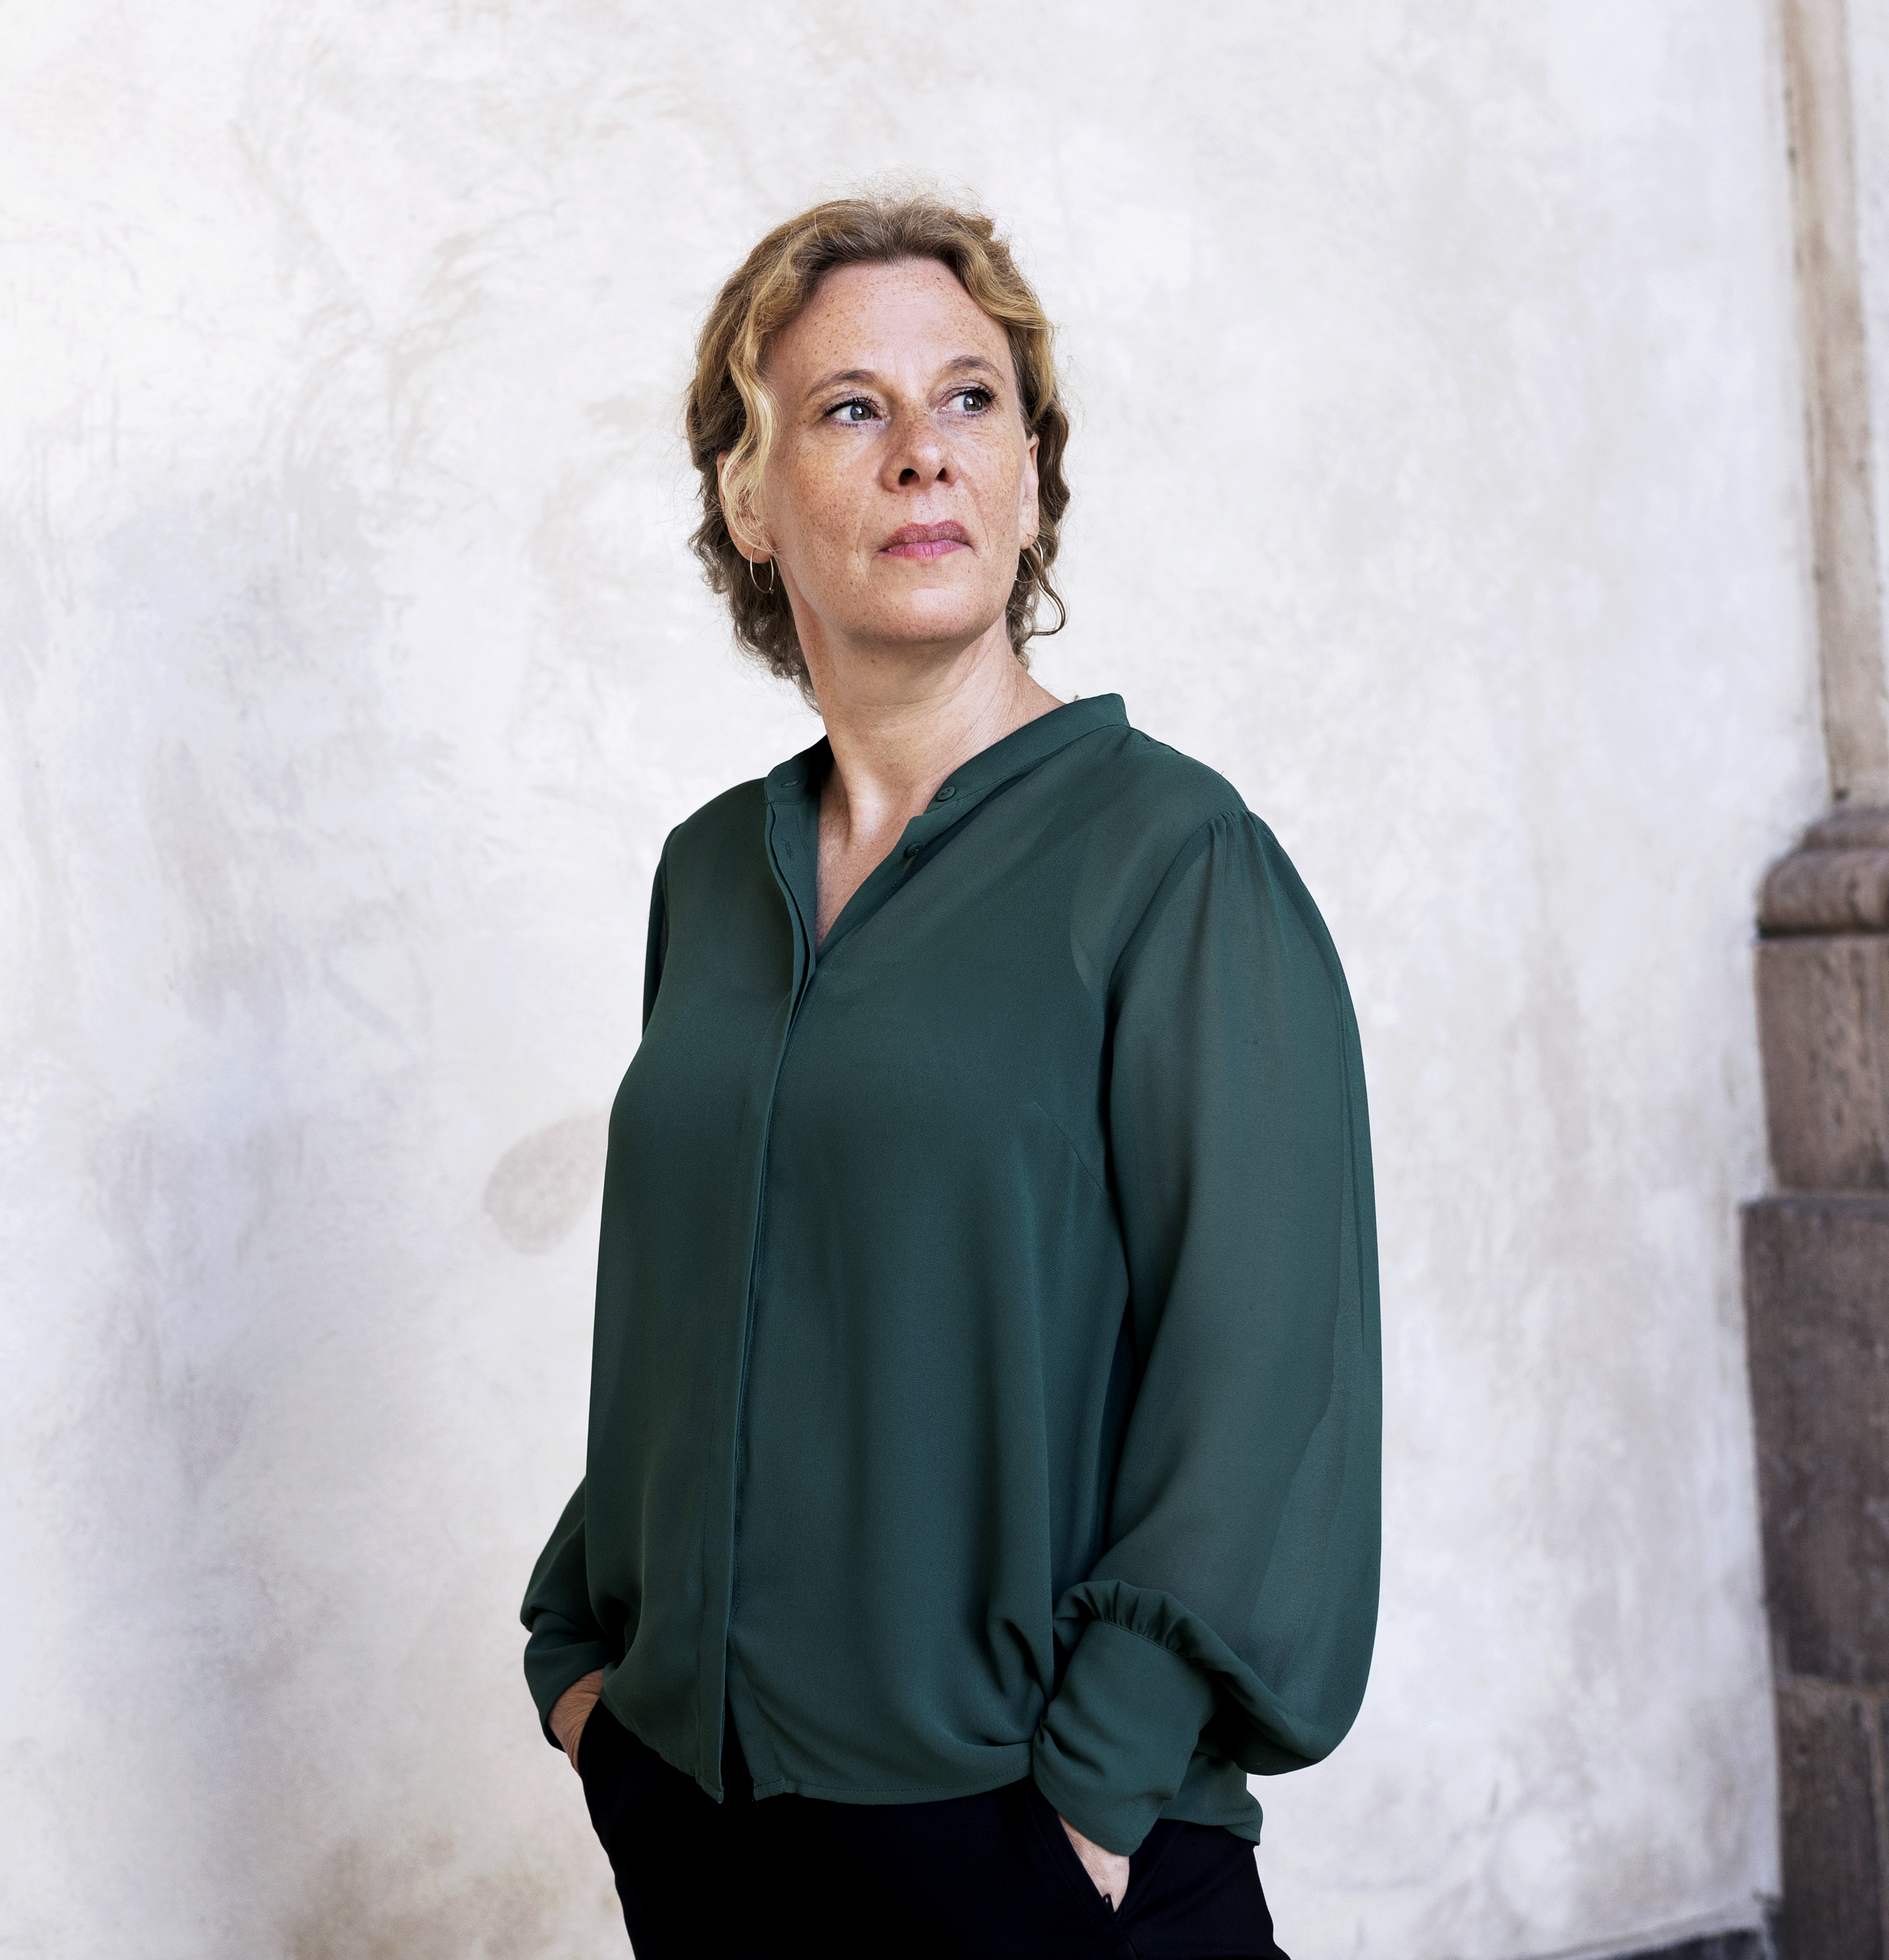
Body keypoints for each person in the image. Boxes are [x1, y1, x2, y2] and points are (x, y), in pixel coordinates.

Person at [520, 191, 1380, 1959]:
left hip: (1023, 1840)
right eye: (852, 407)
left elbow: (1264, 1365)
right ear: (747, 500)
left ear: (1032, 480)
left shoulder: (1173, 860)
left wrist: (1094, 1791)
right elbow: (706, 1309)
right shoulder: (711, 874)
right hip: (704, 1821)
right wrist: (589, 1662)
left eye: (971, 399)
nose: (925, 451)